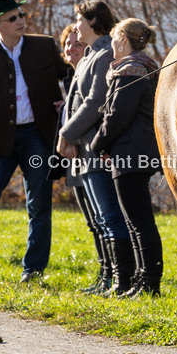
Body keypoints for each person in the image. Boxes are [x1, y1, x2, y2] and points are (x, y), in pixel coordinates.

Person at [58, 0, 135, 295]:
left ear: (93, 22)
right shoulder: (92, 53)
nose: (76, 27)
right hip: (82, 149)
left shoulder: (103, 54)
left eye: (79, 20)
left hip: (93, 148)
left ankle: (121, 281)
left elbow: (94, 101)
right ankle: (108, 278)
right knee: (101, 219)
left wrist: (66, 133)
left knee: (111, 216)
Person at [90, 18, 164, 297]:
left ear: (122, 39)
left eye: (113, 39)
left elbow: (117, 116)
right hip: (137, 152)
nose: (111, 45)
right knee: (138, 220)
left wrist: (97, 145)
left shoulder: (130, 71)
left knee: (139, 221)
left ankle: (148, 284)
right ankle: (140, 281)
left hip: (130, 154)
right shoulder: (143, 67)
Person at [0, 0, 69, 281]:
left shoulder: (43, 46)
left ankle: (33, 269)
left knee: (38, 203)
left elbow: (72, 76)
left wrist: (68, 99)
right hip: (1, 140)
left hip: (37, 138)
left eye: (22, 15)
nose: (21, 21)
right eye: (12, 18)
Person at [56, 24, 111, 294]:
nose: (71, 48)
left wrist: (66, 134)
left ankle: (111, 274)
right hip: (75, 156)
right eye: (67, 44)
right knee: (92, 221)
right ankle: (104, 273)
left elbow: (93, 105)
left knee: (103, 218)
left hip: (89, 152)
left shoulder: (94, 68)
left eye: (77, 44)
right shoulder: (70, 78)